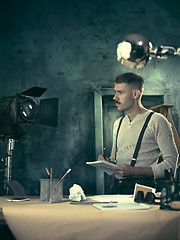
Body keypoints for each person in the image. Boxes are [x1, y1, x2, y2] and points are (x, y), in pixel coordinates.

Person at [98, 72, 178, 193]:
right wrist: (107, 162)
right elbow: (116, 159)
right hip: (117, 190)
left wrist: (134, 171)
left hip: (144, 191)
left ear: (135, 94)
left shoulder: (157, 120)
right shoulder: (117, 123)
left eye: (120, 92)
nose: (115, 97)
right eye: (115, 92)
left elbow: (172, 165)